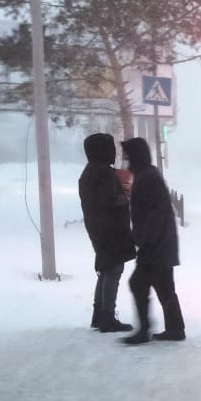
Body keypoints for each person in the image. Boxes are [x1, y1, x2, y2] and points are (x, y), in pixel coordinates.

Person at [119, 137, 185, 345]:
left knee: (138, 283)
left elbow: (154, 215)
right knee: (164, 286)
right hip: (161, 242)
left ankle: (145, 330)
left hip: (156, 245)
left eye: (128, 157)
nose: (126, 162)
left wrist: (142, 239)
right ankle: (175, 329)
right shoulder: (148, 175)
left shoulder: (147, 178)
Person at [78, 133, 135, 333]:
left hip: (97, 227)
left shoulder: (89, 172)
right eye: (110, 147)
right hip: (110, 229)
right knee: (113, 270)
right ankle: (107, 317)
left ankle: (99, 315)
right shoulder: (103, 173)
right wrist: (127, 196)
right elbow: (110, 200)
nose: (114, 152)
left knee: (106, 269)